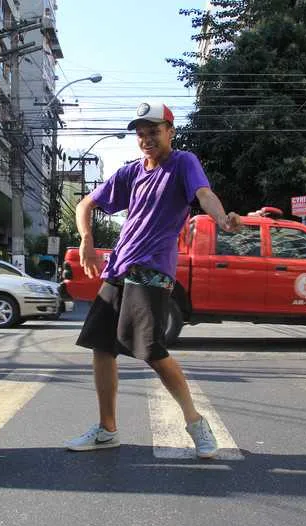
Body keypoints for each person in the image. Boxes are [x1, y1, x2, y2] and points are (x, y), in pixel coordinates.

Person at [65, 102, 241, 458]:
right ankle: (107, 429)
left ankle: (196, 423)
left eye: (154, 131)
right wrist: (86, 239)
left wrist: (222, 220)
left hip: (153, 271)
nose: (146, 139)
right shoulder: (130, 172)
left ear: (170, 132)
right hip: (117, 269)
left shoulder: (182, 163)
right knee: (101, 347)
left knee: (152, 351)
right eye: (141, 133)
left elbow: (203, 195)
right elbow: (85, 204)